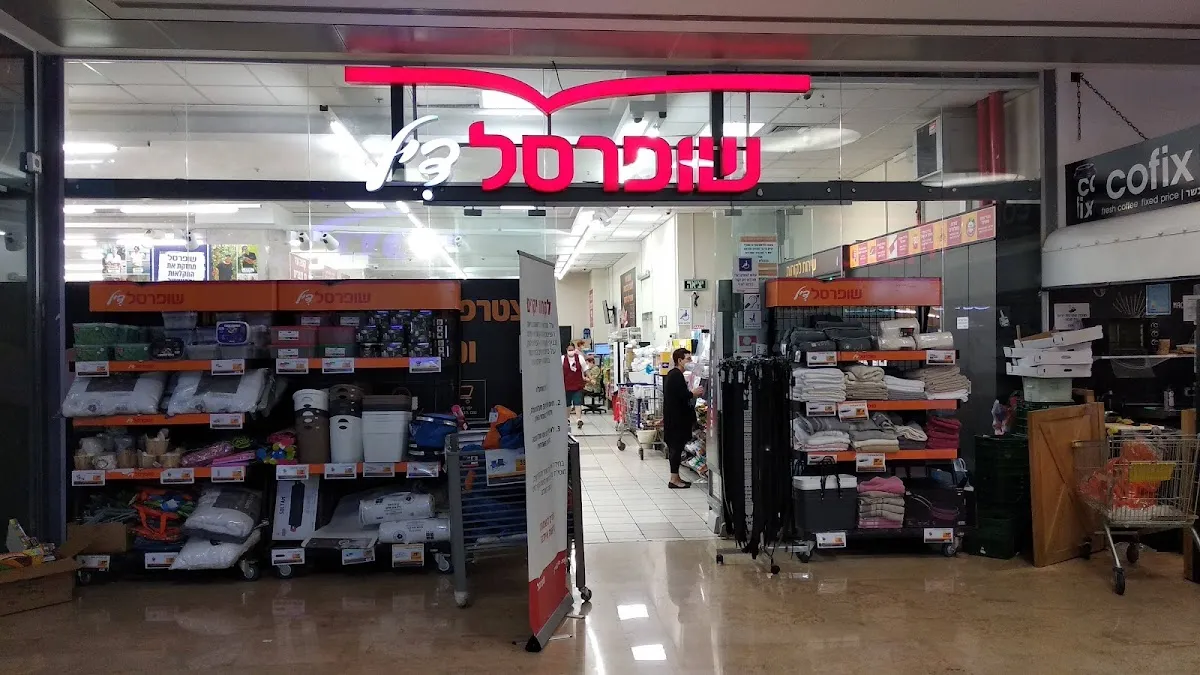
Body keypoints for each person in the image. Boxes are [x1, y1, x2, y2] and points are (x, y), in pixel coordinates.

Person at [663, 347, 703, 488]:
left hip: (674, 419)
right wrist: (693, 393)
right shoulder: (676, 375)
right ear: (679, 360)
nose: (690, 362)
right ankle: (674, 480)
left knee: (677, 448)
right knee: (676, 448)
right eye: (688, 359)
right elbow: (680, 396)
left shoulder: (673, 374)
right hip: (676, 420)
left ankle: (676, 478)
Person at [562, 343, 586, 429]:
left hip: (577, 385)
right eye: (569, 350)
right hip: (566, 385)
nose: (571, 351)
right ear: (566, 350)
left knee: (577, 403)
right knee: (567, 403)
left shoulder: (579, 358)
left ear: (574, 350)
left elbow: (585, 369)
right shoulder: (562, 358)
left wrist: (590, 378)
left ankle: (579, 419)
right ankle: (567, 419)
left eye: (572, 350)